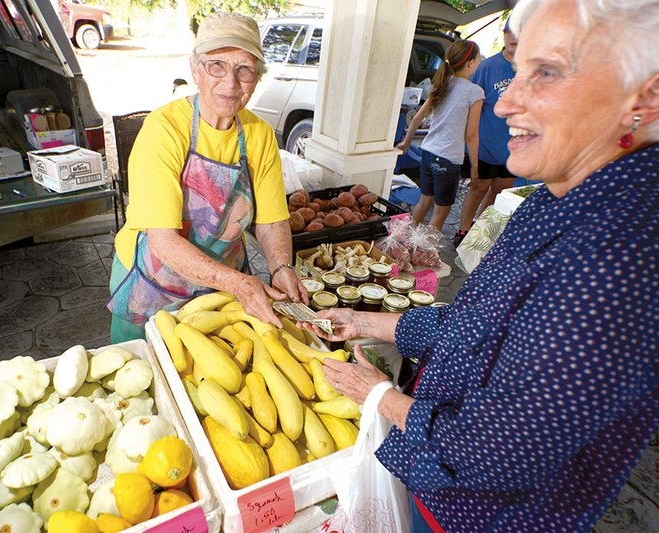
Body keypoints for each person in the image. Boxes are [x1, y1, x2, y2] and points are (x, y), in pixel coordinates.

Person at [301, 0, 659, 530]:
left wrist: (376, 394)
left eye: (548, 72)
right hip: (437, 484)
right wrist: (366, 321)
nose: (505, 102)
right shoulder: (557, 196)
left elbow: (495, 454)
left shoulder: (619, 257)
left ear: (645, 97)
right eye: (516, 70)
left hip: (484, 515)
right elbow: (478, 321)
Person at [108, 12, 307, 342]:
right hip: (154, 284)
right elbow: (163, 240)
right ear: (195, 69)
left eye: (244, 69)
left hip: (224, 284)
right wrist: (238, 283)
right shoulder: (164, 129)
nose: (230, 83)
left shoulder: (259, 134)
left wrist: (281, 268)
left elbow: (272, 221)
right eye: (217, 65)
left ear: (257, 77)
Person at [395, 40, 484, 232]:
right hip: (448, 159)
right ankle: (424, 254)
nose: (478, 63)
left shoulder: (443, 83)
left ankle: (403, 242)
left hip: (428, 152)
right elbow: (471, 135)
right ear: (470, 63)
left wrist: (406, 142)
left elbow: (418, 116)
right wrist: (476, 168)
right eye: (478, 59)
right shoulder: (475, 92)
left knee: (424, 202)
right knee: (440, 212)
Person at [453, 21, 518, 248]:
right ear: (504, 34)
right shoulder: (487, 67)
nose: (515, 37)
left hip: (513, 148)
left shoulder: (531, 68)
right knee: (478, 188)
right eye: (511, 31)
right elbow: (469, 106)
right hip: (484, 146)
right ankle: (463, 231)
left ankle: (480, 233)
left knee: (500, 193)